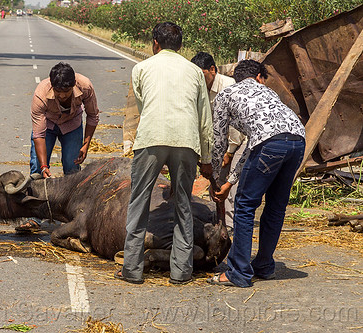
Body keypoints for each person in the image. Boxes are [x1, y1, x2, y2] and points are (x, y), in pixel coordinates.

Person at [115, 22, 213, 285]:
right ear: (180, 46)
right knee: (183, 205)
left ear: (155, 44)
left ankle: (132, 270)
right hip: (186, 140)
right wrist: (206, 159)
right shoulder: (194, 71)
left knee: (139, 203)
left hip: (151, 139)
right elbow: (205, 118)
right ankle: (181, 272)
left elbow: (143, 105)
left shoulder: (142, 68)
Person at [207, 60, 306, 288]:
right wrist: (230, 182)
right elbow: (255, 144)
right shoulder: (268, 93)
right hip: (297, 141)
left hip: (270, 143)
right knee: (275, 207)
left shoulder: (226, 94)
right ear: (259, 77)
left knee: (245, 206)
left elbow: (219, 143)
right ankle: (263, 266)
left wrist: (214, 177)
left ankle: (239, 273)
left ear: (235, 78)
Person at [191, 52, 246, 231]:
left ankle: (229, 227)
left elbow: (236, 126)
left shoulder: (229, 87)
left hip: (239, 140)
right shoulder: (198, 88)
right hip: (218, 142)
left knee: (231, 184)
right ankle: (218, 221)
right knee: (215, 182)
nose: (198, 80)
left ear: (212, 70)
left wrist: (229, 152)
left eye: (202, 75)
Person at [30, 62, 99, 178]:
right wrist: (43, 166)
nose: (62, 96)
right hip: (48, 125)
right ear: (52, 86)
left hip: (72, 125)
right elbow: (39, 134)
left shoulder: (85, 86)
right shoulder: (40, 94)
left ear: (73, 85)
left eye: (66, 92)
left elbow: (92, 116)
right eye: (58, 92)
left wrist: (86, 145)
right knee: (37, 169)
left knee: (72, 168)